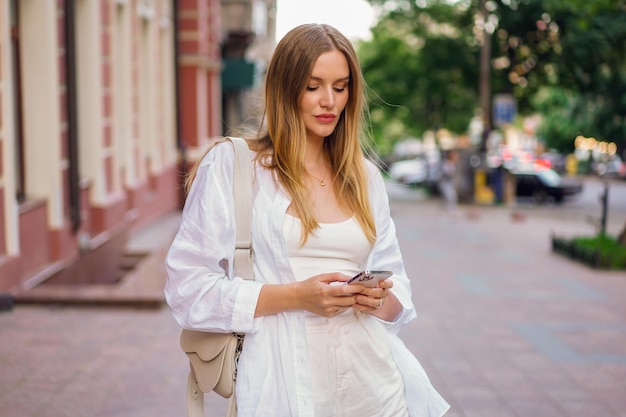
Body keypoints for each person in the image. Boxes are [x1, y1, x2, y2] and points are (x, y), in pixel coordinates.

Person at [165, 23, 450, 417]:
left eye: (341, 86)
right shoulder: (236, 167)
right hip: (285, 386)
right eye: (313, 86)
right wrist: (296, 296)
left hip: (375, 387)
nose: (329, 101)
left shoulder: (364, 176)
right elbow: (187, 289)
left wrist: (380, 297)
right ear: (285, 89)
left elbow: (398, 281)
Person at [437, 150, 459, 215]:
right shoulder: (446, 163)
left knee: (451, 195)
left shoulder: (452, 164)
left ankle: (448, 209)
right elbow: (447, 174)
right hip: (444, 182)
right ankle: (449, 209)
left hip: (449, 183)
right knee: (450, 196)